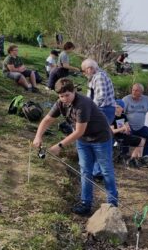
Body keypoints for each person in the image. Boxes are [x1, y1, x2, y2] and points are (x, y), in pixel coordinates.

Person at [32, 78, 118, 216]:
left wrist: (60, 145)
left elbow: (79, 131)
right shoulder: (60, 103)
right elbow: (47, 119)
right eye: (61, 96)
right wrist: (38, 136)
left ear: (74, 91)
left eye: (67, 95)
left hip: (101, 138)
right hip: (83, 141)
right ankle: (85, 204)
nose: (64, 98)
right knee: (85, 171)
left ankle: (112, 204)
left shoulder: (82, 104)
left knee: (106, 171)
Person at [122, 83, 148, 164]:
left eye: (136, 90)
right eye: (133, 90)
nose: (134, 92)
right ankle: (125, 155)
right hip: (129, 127)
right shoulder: (126, 99)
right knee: (124, 134)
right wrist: (125, 126)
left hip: (140, 127)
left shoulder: (146, 100)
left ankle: (145, 156)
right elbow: (120, 115)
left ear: (141, 92)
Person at [112, 99, 145, 167]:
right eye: (114, 106)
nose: (115, 108)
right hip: (115, 138)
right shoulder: (112, 117)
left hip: (124, 136)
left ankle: (134, 158)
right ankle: (131, 159)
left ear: (122, 108)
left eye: (118, 107)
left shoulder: (124, 116)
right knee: (141, 141)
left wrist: (127, 129)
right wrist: (122, 128)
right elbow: (112, 131)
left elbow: (127, 127)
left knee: (142, 140)